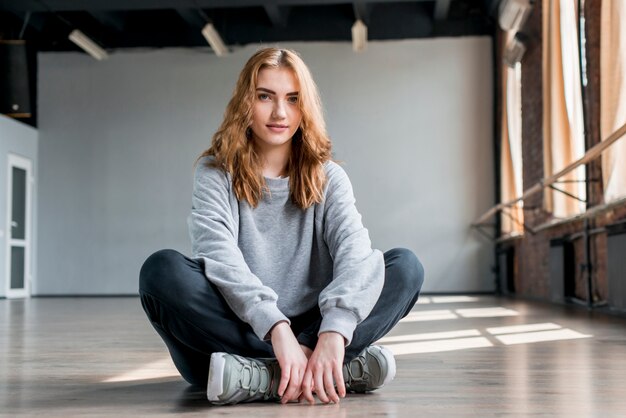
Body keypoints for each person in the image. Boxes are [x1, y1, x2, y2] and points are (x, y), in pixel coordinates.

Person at [139, 47, 424, 406]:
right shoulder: (215, 173)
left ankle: (266, 376)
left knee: (404, 267)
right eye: (265, 97)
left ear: (305, 107)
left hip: (308, 329)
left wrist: (329, 334)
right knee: (161, 271)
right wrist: (276, 330)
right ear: (246, 102)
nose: (279, 112)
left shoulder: (329, 178)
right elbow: (218, 255)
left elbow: (356, 254)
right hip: (234, 327)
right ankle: (325, 372)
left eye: (292, 99)